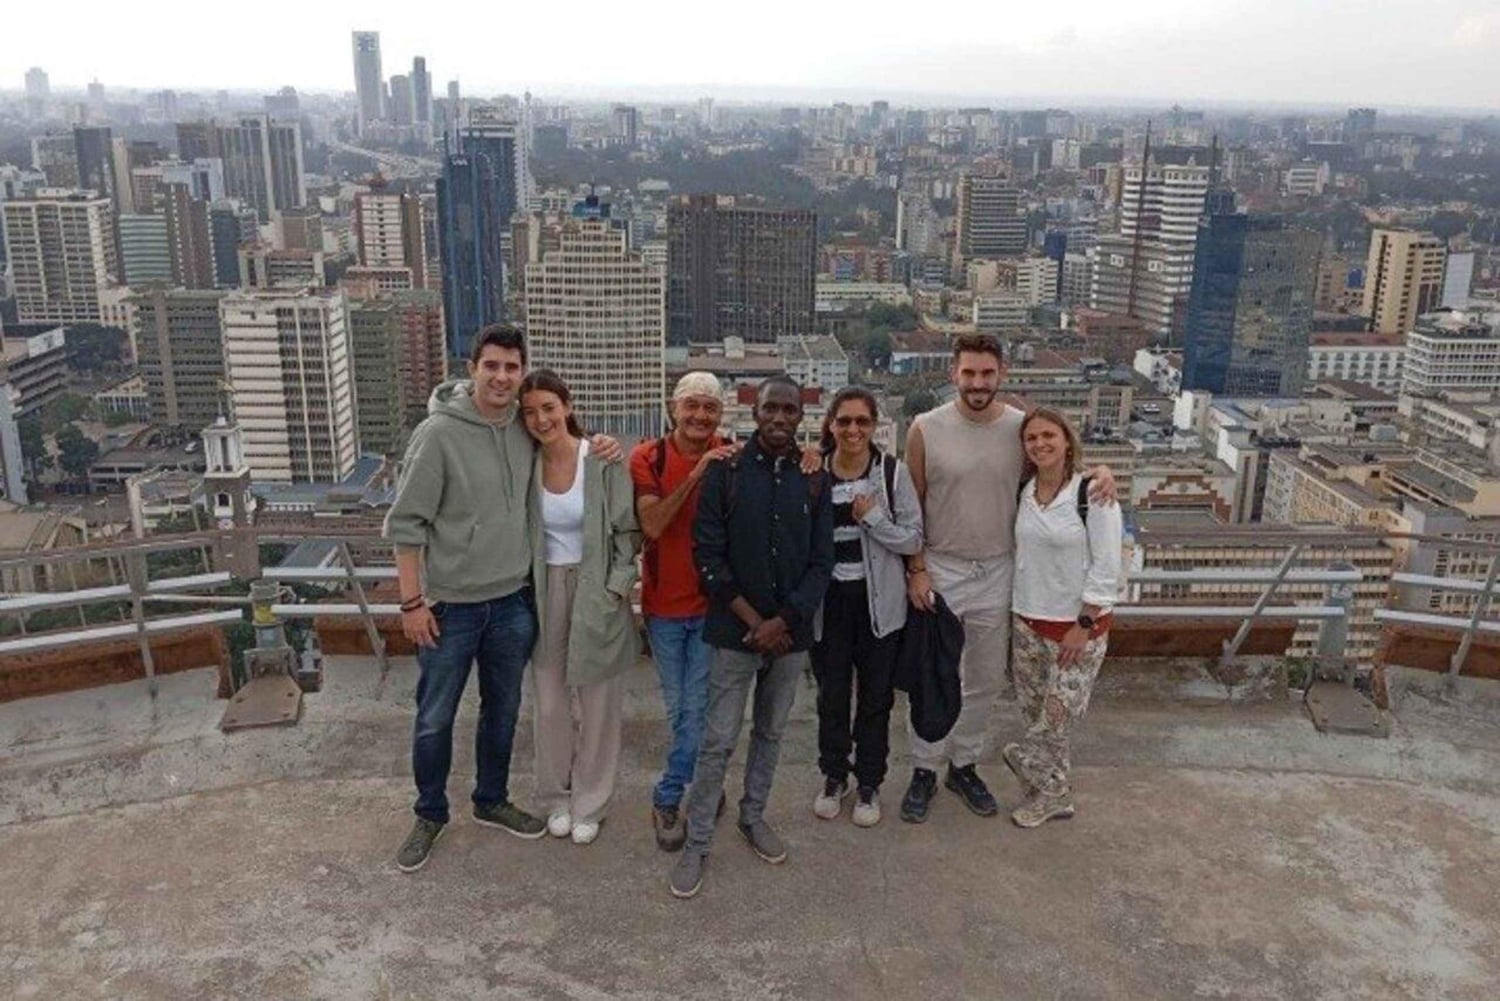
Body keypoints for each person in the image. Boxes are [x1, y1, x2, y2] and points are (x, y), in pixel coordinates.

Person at [384, 324, 620, 873]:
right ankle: (429, 814)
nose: (502, 377)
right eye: (491, 365)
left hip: (515, 600)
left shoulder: (521, 426)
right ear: (472, 368)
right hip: (450, 606)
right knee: (435, 716)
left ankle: (490, 800)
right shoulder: (439, 434)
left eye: (512, 367)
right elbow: (407, 524)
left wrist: (603, 443)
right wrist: (412, 603)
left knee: (505, 710)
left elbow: (566, 442)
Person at [900, 334, 1115, 825]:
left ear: (1001, 375)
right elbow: (910, 505)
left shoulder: (1021, 429)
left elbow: (1059, 471)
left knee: (981, 679)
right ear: (953, 373)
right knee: (934, 677)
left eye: (987, 373)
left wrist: (1104, 471)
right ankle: (924, 768)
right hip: (943, 566)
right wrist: (916, 568)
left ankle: (963, 764)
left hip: (999, 569)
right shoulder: (924, 428)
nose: (978, 383)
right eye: (969, 373)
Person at [668, 375, 834, 899]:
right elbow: (707, 557)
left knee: (771, 732)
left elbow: (821, 562)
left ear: (801, 417)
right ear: (754, 412)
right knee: (717, 740)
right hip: (734, 633)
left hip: (790, 637)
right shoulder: (727, 472)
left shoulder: (814, 480)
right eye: (771, 409)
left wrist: (782, 622)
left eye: (789, 410)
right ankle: (697, 841)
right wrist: (754, 623)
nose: (780, 418)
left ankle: (752, 815)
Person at [520, 369, 641, 846]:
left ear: (567, 407)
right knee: (548, 704)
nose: (541, 419)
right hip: (542, 589)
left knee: (598, 706)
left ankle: (592, 800)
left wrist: (616, 588)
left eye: (549, 408)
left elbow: (626, 533)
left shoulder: (602, 459)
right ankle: (555, 796)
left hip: (595, 589)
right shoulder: (523, 461)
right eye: (530, 412)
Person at [630, 372, 737, 851]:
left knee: (697, 710)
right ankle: (694, 788)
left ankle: (671, 793)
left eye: (709, 409)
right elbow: (652, 525)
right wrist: (698, 473)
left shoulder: (733, 455)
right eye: (691, 406)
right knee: (684, 712)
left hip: (714, 606)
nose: (699, 417)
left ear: (720, 415)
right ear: (674, 408)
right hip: (665, 608)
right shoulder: (648, 457)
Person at [810, 387, 923, 828]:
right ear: (831, 425)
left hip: (880, 604)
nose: (853, 430)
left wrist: (872, 519)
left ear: (874, 426)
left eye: (862, 421)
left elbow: (914, 539)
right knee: (831, 696)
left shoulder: (892, 475)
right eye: (844, 421)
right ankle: (834, 774)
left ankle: (870, 781)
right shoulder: (815, 472)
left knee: (876, 699)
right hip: (830, 603)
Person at [1006, 407, 1122, 827]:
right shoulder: (1025, 490)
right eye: (1031, 438)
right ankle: (1048, 787)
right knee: (1034, 712)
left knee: (1055, 719)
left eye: (1048, 435)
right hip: (1027, 623)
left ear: (1067, 440)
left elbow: (1109, 565)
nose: (1040, 444)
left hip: (1075, 630)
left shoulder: (1092, 494)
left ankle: (1045, 783)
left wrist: (1084, 625)